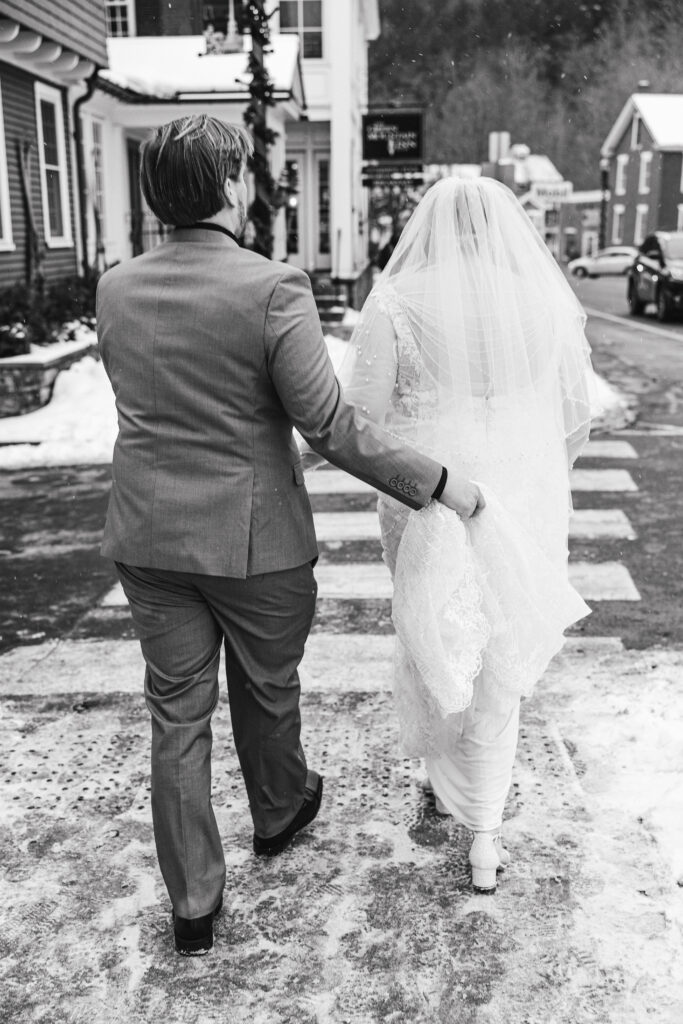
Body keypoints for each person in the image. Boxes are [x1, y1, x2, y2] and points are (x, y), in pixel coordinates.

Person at [96, 115, 484, 956]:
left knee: (177, 715)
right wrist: (439, 482)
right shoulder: (272, 287)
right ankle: (276, 812)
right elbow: (331, 427)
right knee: (267, 688)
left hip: (147, 535)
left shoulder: (115, 286)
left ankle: (192, 904)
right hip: (253, 539)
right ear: (233, 185)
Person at [337, 176, 595, 893]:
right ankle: (485, 832)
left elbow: (363, 415)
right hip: (523, 488)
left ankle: (446, 775)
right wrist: (539, 477)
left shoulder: (396, 300)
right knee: (501, 654)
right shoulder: (541, 299)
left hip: (432, 489)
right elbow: (572, 419)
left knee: (438, 633)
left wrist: (411, 474)